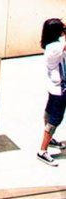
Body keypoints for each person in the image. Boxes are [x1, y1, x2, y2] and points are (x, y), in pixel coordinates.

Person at [37, 18, 66, 166]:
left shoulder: (51, 45)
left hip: (54, 87)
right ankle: (43, 150)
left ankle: (50, 139)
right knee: (55, 119)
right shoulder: (56, 47)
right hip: (61, 89)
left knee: (49, 112)